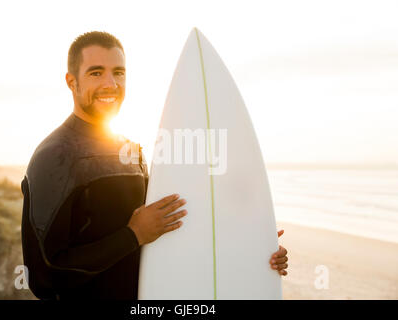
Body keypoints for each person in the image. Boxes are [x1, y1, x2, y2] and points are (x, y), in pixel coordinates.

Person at [21, 31, 288, 300]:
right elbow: (45, 273)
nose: (110, 83)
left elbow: (167, 226)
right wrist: (133, 235)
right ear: (71, 82)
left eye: (119, 72)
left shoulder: (129, 151)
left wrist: (251, 242)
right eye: (96, 73)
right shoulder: (55, 157)